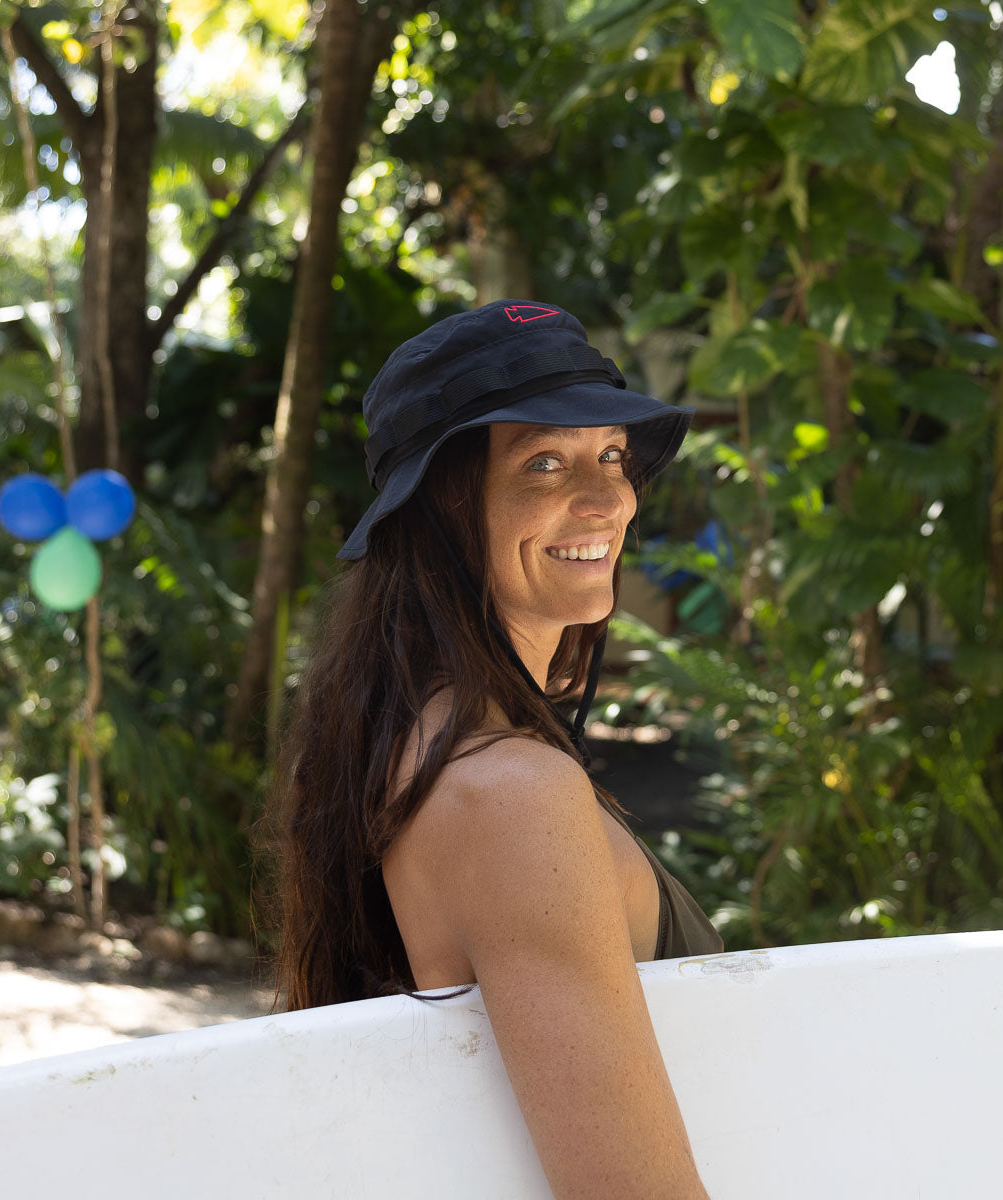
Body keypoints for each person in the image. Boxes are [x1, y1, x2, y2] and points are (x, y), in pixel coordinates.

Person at [265, 300, 721, 1199]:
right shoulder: (508, 790)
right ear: (439, 509)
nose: (606, 499)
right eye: (543, 462)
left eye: (613, 455)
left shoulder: (434, 742)